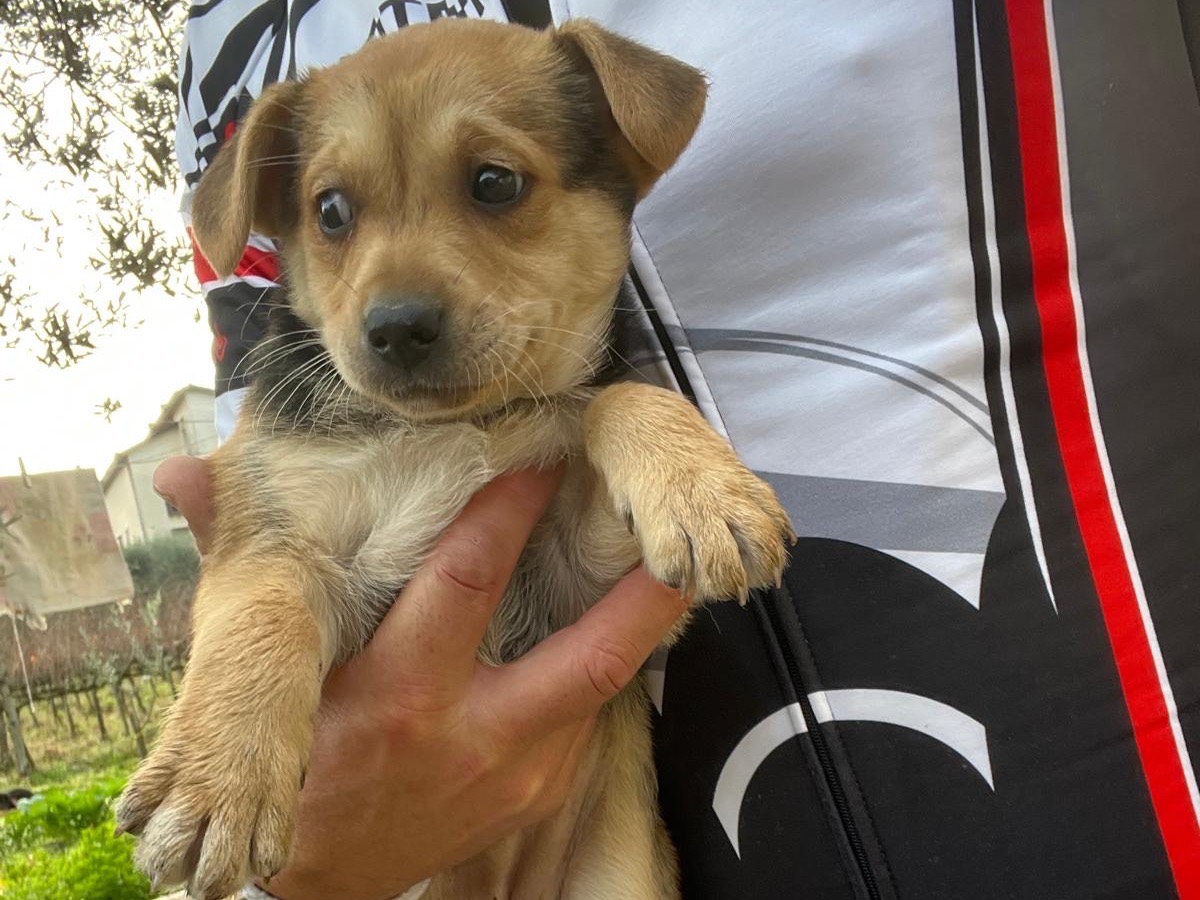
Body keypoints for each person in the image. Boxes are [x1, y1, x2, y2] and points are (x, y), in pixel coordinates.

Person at [161, 1, 1200, 897]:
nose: (392, 298)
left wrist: (643, 429)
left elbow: (604, 489)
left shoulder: (594, 429)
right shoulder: (235, 41)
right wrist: (265, 763)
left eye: (491, 186)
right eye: (335, 213)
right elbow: (264, 570)